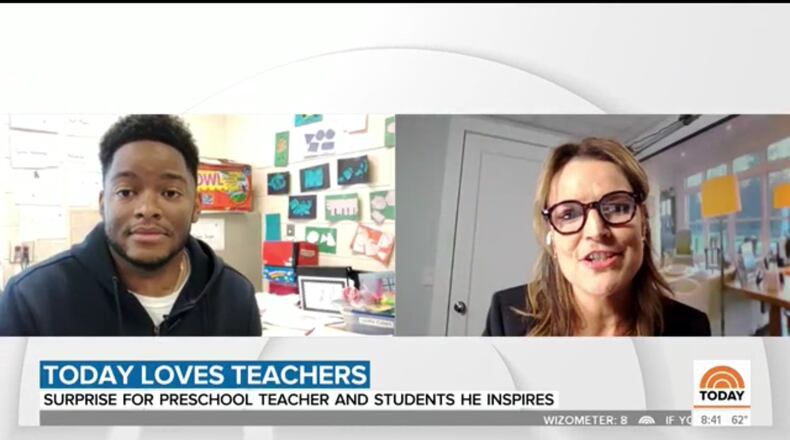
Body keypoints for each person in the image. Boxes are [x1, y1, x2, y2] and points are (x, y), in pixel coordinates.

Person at [0, 115, 262, 336]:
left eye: (170, 193)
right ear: (103, 204)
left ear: (196, 205)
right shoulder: (32, 300)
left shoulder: (235, 297)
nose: (147, 209)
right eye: (126, 192)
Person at [483, 138, 710, 336]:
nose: (595, 230)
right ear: (552, 237)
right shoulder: (506, 318)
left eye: (618, 207)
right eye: (569, 214)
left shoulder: (691, 329)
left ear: (643, 223)